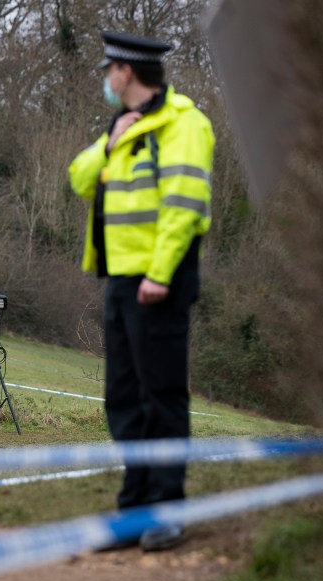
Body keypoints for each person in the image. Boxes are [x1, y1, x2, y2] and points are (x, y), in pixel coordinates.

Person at [68, 31, 215, 552]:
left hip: (160, 282)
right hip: (120, 282)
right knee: (124, 398)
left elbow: (185, 207)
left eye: (109, 70)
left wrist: (158, 273)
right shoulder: (123, 128)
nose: (106, 79)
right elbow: (80, 178)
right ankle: (134, 512)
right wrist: (109, 142)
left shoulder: (184, 125)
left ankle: (167, 510)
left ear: (125, 72)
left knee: (162, 396)